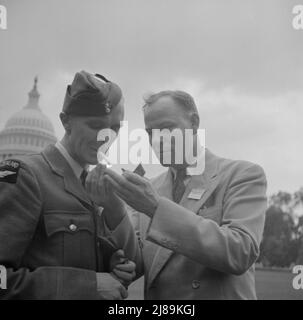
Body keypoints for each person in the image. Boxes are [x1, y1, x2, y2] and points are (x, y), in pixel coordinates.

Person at [104, 90, 268, 300]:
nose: (157, 140)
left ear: (194, 123)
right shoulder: (149, 189)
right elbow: (135, 258)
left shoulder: (242, 175)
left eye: (167, 128)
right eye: (150, 132)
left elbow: (240, 252)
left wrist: (156, 208)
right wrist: (119, 260)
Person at [0, 70, 140, 300]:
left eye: (114, 129)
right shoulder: (19, 173)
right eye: (96, 125)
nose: (106, 138)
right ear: (65, 121)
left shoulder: (93, 185)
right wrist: (88, 286)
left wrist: (109, 266)